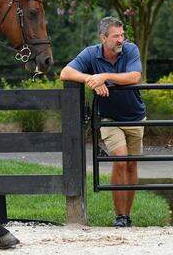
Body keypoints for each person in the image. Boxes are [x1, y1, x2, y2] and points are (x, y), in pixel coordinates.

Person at [59, 17, 145, 228]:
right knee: (120, 159)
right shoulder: (91, 53)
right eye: (116, 36)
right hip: (109, 119)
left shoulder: (130, 49)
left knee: (132, 164)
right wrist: (91, 79)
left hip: (135, 116)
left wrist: (104, 76)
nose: (121, 40)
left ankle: (127, 215)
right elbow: (65, 73)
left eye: (122, 35)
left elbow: (135, 77)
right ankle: (120, 217)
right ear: (103, 37)